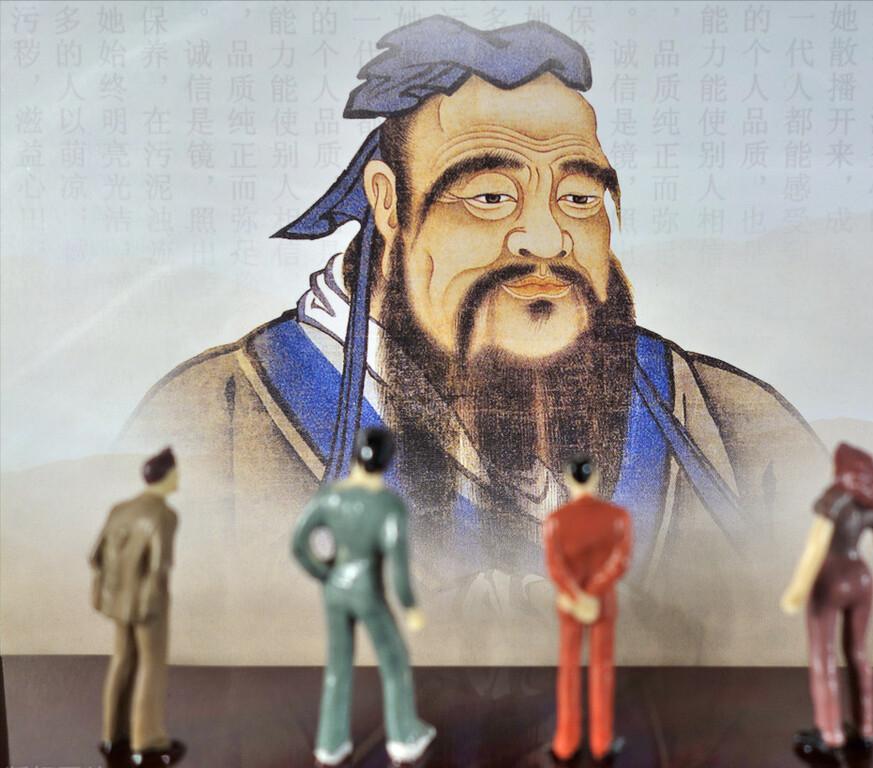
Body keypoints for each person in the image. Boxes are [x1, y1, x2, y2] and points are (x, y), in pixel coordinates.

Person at [117, 17, 827, 655]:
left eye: (579, 197)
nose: (545, 238)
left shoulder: (730, 424)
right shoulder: (213, 419)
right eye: (490, 197)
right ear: (388, 202)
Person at [291, 427, 436, 767]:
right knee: (394, 661)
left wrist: (324, 572)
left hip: (335, 590)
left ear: (355, 454)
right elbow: (398, 569)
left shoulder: (330, 497)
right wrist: (410, 607)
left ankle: (330, 744)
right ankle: (403, 737)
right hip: (367, 592)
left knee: (337, 666)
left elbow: (299, 544)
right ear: (387, 461)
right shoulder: (388, 505)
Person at [779, 443, 873, 757]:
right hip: (862, 578)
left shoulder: (835, 499)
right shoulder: (872, 504)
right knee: (858, 652)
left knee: (823, 655)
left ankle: (830, 731)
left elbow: (815, 546)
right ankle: (866, 727)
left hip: (831, 579)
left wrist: (796, 590)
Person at [89, 447, 186, 766]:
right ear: (166, 476)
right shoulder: (165, 515)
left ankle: (112, 734)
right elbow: (159, 566)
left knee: (121, 661)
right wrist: (150, 603)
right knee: (151, 666)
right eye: (176, 473)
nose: (179, 478)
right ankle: (147, 741)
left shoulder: (120, 509)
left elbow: (95, 556)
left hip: (117, 600)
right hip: (148, 603)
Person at [544, 456, 632, 763]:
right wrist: (592, 594)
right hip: (601, 604)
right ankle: (601, 742)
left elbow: (555, 565)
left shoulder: (555, 519)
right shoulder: (618, 517)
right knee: (602, 669)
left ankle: (565, 743)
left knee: (568, 669)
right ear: (595, 478)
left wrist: (575, 595)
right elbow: (619, 562)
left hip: (569, 604)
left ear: (568, 479)